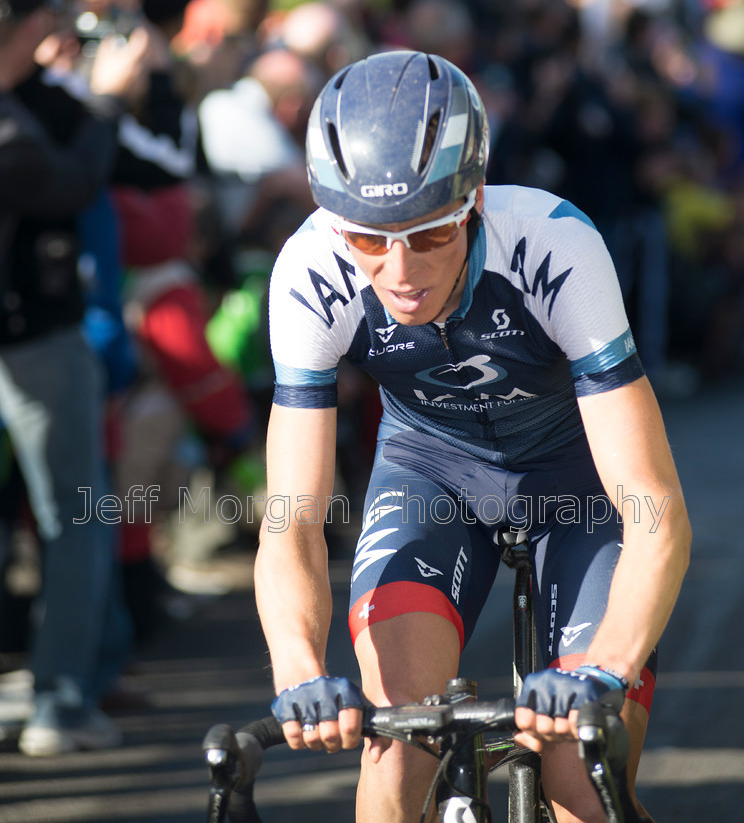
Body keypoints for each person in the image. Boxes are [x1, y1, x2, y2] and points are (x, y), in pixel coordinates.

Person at [254, 50, 691, 823]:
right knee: (397, 760)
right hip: (430, 477)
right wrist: (296, 674)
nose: (398, 271)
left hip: (575, 487)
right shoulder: (307, 272)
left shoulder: (555, 244)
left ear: (475, 199)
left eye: (429, 235)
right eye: (366, 240)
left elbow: (655, 512)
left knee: (579, 782)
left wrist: (608, 671)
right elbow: (291, 521)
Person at [0, 0, 150, 754]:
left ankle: (67, 683)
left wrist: (62, 84)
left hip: (36, 336)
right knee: (77, 522)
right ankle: (59, 701)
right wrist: (107, 100)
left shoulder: (27, 91)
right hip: (33, 342)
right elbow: (68, 179)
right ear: (30, 23)